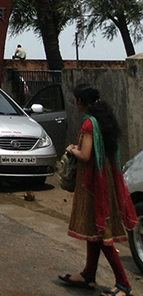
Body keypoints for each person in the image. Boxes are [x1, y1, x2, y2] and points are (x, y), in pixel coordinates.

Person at [58, 85, 137, 295]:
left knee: (103, 236)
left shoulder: (89, 124)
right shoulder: (105, 121)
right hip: (105, 182)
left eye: (76, 99)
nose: (75, 103)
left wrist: (71, 149)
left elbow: (84, 155)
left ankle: (123, 284)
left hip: (93, 186)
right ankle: (88, 275)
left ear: (81, 102)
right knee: (94, 233)